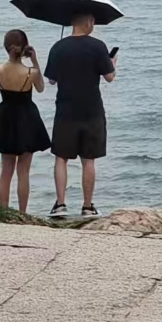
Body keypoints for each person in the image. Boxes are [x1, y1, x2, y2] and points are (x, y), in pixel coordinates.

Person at [44, 12, 117, 218]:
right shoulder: (98, 46)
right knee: (89, 159)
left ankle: (60, 204)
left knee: (61, 158)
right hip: (91, 110)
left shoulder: (58, 47)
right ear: (89, 22)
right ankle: (87, 207)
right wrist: (113, 63)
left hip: (66, 109)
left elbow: (51, 80)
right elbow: (109, 77)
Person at [0, 28, 51, 214]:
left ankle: (3, 211)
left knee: (5, 170)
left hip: (6, 117)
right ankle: (22, 213)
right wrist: (35, 60)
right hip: (26, 118)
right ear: (25, 48)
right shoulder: (30, 72)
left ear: (5, 47)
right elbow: (40, 88)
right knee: (23, 171)